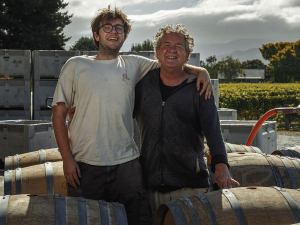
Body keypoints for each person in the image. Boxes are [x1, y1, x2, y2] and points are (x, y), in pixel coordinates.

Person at [52, 8, 213, 225]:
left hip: (127, 165)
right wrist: (67, 159)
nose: (113, 32)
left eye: (119, 28)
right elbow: (59, 114)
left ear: (125, 36)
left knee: (139, 220)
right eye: (107, 27)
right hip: (85, 165)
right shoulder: (75, 65)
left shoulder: (134, 64)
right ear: (96, 35)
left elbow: (171, 62)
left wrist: (202, 71)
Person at [133, 24, 240, 222]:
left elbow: (213, 130)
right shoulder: (142, 85)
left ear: (187, 54)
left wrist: (221, 166)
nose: (172, 50)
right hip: (151, 186)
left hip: (191, 186)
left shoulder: (199, 87)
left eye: (178, 46)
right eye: (166, 45)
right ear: (157, 52)